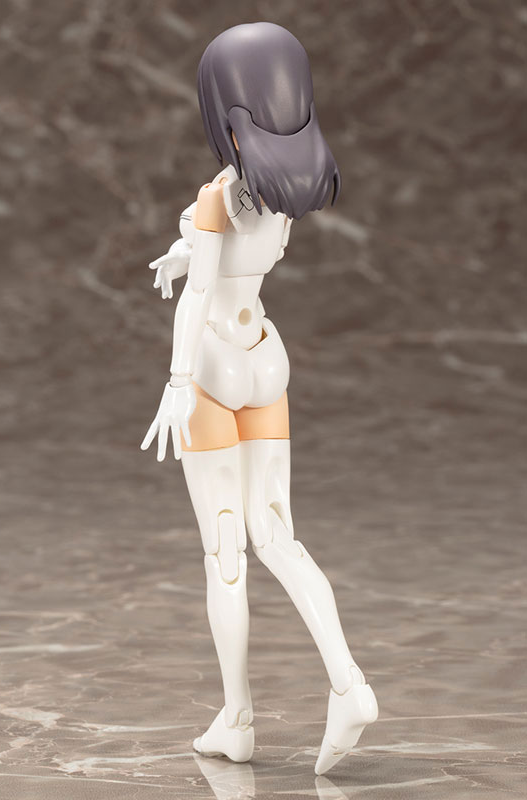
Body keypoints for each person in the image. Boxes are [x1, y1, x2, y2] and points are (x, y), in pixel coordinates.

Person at [141, 22, 378, 776]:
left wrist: (177, 383)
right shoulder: (286, 189)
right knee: (277, 534)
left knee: (226, 551)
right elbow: (235, 258)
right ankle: (349, 683)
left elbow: (202, 294)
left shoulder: (219, 193)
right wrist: (184, 251)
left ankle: (238, 717)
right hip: (265, 357)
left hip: (214, 362)